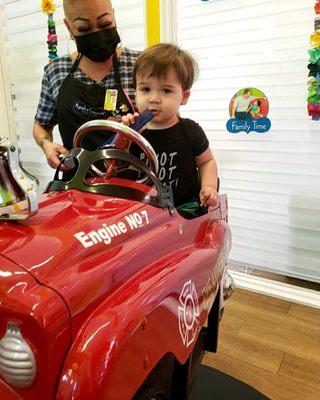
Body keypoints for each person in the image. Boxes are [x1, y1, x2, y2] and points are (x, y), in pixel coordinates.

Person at [33, 0, 140, 170]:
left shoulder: (140, 65)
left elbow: (167, 119)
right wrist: (46, 144)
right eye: (84, 29)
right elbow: (41, 125)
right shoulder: (56, 70)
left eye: (105, 23)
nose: (97, 34)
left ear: (113, 15)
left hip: (135, 183)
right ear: (69, 27)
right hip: (76, 182)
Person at [121, 43, 218, 208]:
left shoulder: (191, 130)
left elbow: (206, 162)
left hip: (184, 209)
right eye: (145, 89)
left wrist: (208, 186)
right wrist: (123, 138)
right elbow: (115, 168)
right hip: (141, 212)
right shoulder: (132, 131)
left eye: (166, 90)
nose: (154, 98)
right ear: (135, 92)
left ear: (184, 96)